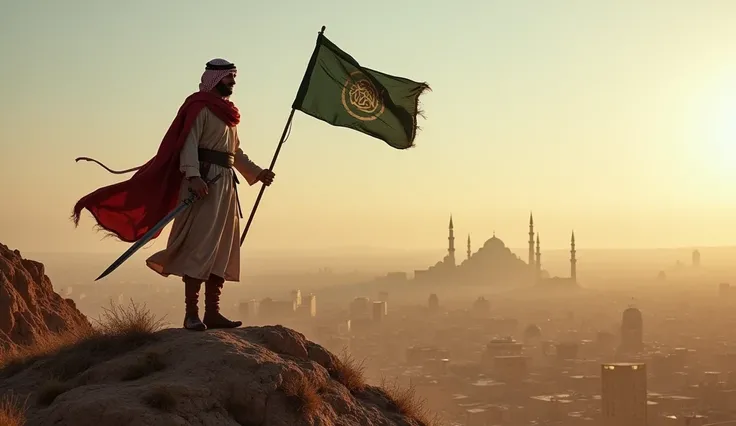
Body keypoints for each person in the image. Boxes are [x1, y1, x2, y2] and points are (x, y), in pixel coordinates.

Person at [72, 58, 275, 331]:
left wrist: (258, 173)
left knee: (222, 249)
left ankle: (212, 313)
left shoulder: (229, 116)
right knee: (198, 247)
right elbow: (187, 144)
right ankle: (192, 315)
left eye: (234, 77)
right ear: (215, 79)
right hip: (203, 184)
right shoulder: (199, 107)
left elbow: (234, 153)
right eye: (228, 78)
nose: (233, 82)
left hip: (226, 186)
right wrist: (193, 176)